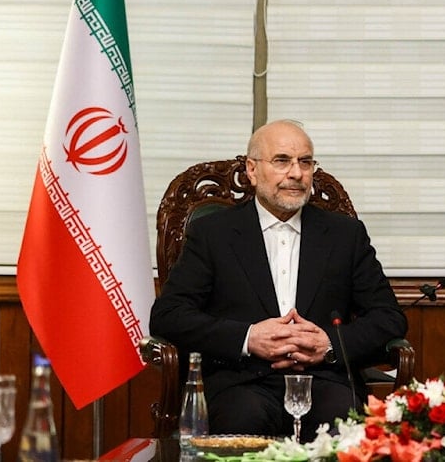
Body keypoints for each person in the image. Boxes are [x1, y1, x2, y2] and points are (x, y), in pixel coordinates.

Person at [149, 119, 407, 438]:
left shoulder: (344, 235)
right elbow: (168, 317)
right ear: (252, 170)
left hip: (324, 379)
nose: (296, 173)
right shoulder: (213, 234)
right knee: (242, 419)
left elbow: (389, 319)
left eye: (306, 162)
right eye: (282, 161)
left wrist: (328, 343)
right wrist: (248, 337)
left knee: (342, 423)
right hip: (241, 381)